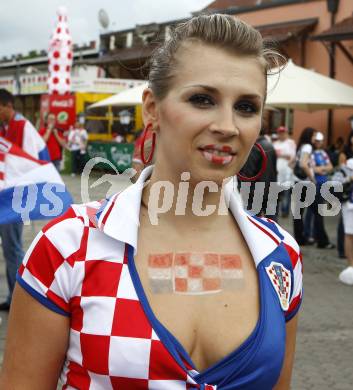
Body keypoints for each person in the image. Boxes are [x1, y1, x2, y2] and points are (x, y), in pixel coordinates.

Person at [0, 15, 303, 389]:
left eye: (246, 107)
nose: (227, 126)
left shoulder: (281, 256)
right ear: (152, 109)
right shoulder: (68, 247)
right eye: (202, 99)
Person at [0, 88, 50, 311]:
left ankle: (19, 299)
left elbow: (32, 162)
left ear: (7, 106)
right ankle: (13, 296)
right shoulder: (5, 127)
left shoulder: (23, 127)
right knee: (10, 249)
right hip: (4, 195)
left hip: (14, 198)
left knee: (13, 249)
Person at [273, 126, 296, 217]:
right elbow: (273, 156)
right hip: (277, 172)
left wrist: (281, 156)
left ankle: (285, 211)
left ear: (286, 133)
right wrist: (284, 156)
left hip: (287, 173)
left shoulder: (290, 143)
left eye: (283, 133)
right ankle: (276, 210)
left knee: (286, 192)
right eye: (280, 133)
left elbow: (292, 157)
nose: (281, 135)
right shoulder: (275, 143)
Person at [337, 158, 353, 285]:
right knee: (349, 234)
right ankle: (351, 266)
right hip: (350, 203)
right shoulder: (349, 163)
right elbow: (339, 182)